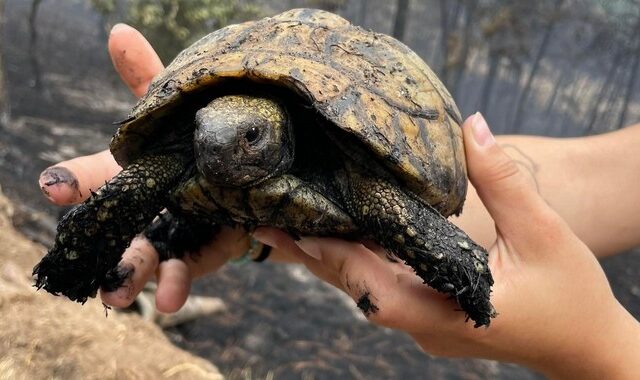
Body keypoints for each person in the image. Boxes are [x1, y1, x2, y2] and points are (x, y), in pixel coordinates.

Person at [39, 24, 640, 377]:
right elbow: (607, 177)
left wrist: (595, 344)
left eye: (249, 139)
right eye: (203, 139)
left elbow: (388, 202)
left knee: (402, 223)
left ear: (278, 135)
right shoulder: (204, 147)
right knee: (140, 184)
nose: (218, 152)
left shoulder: (353, 170)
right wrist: (83, 252)